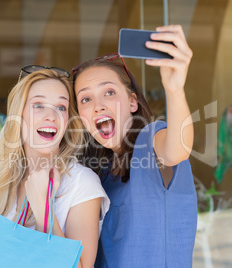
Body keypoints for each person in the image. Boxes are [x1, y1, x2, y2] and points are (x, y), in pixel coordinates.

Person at [71, 25, 197, 267]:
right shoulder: (97, 173)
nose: (97, 105)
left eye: (108, 92)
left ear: (132, 102)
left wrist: (174, 90)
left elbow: (177, 150)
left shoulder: (150, 141)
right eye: (86, 99)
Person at [0, 67, 110, 268]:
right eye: (38, 105)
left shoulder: (82, 183)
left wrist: (44, 211)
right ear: (19, 115)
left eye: (61, 107)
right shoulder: (5, 179)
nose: (51, 115)